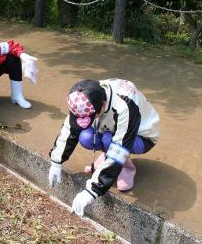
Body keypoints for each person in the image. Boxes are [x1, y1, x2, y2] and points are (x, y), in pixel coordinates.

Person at [48, 78, 160, 216]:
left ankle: (127, 167)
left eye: (91, 116)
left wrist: (93, 190)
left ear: (103, 104)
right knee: (86, 136)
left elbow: (120, 147)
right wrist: (56, 162)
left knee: (109, 140)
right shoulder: (85, 97)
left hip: (141, 136)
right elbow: (70, 129)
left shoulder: (125, 106)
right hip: (110, 128)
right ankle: (106, 158)